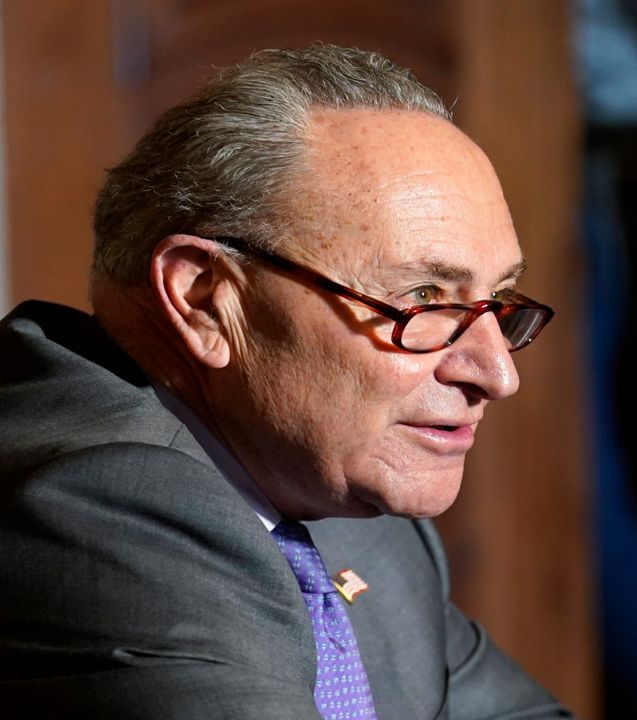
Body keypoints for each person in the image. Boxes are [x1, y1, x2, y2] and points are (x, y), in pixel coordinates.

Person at [0, 45, 572, 719]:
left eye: (497, 302)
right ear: (206, 297)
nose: (497, 373)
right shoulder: (94, 500)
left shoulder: (333, 492)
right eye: (424, 299)